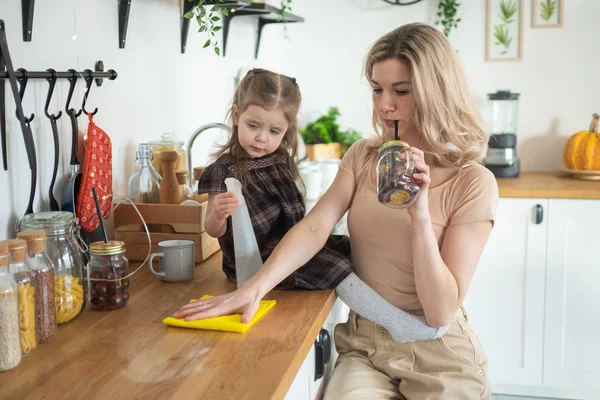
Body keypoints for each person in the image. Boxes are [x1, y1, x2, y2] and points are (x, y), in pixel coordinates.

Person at [175, 23, 499, 399]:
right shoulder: (363, 156)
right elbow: (314, 229)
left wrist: (420, 216)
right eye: (377, 89)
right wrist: (253, 288)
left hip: (437, 354)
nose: (384, 104)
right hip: (364, 345)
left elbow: (440, 311)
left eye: (401, 91)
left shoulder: (473, 182)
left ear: (436, 92)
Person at [176, 67, 448, 343]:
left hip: (284, 245)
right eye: (253, 126)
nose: (262, 138)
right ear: (236, 116)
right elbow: (211, 228)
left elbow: (305, 225)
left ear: (286, 131)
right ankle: (395, 324)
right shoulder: (222, 171)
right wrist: (220, 215)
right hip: (254, 261)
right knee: (333, 265)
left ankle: (397, 315)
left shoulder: (279, 159)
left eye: (274, 131)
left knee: (346, 247)